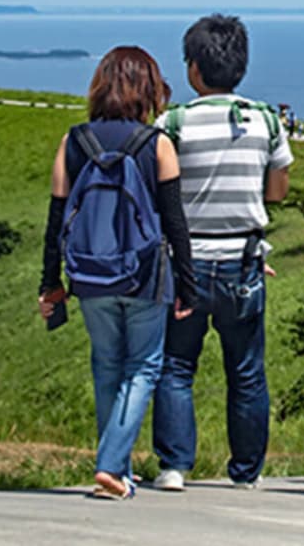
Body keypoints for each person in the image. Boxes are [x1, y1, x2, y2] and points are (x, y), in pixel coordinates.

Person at [37, 46, 197, 499]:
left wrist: (50, 283)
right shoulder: (156, 143)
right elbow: (174, 222)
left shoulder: (74, 142)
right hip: (145, 275)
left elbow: (57, 219)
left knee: (106, 365)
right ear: (148, 88)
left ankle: (118, 471)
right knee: (144, 366)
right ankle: (110, 465)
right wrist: (188, 285)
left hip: (89, 276)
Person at [151, 14, 293, 491]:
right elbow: (277, 191)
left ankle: (174, 466)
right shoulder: (266, 120)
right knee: (247, 370)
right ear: (242, 67)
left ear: (194, 69)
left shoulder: (172, 123)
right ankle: (246, 471)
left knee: (176, 365)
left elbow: (158, 193)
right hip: (244, 260)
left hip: (183, 261)